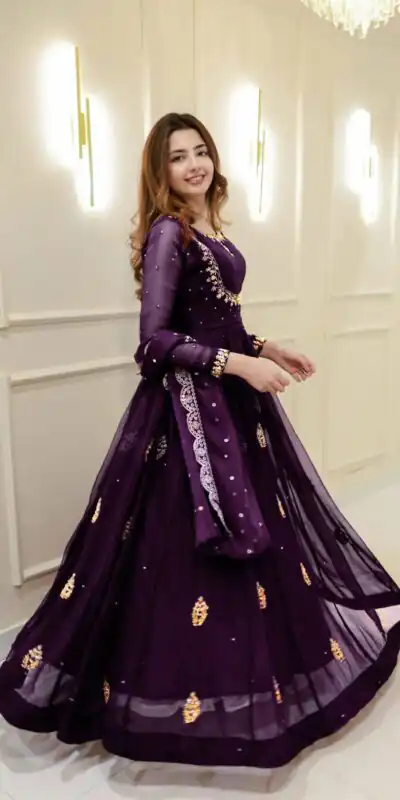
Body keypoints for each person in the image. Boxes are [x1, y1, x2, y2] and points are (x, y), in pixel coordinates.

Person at [0, 112, 399, 769]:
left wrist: (268, 347)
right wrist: (239, 365)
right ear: (160, 171)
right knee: (178, 548)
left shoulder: (208, 227)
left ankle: (257, 672)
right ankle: (172, 689)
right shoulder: (169, 232)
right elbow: (153, 344)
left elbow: (218, 321)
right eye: (178, 156)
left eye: (201, 151)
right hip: (186, 417)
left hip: (232, 405)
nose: (194, 164)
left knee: (259, 540)